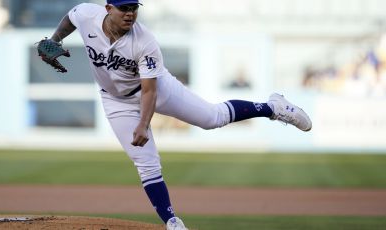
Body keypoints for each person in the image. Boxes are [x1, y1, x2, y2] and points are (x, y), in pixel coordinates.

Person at [43, 0, 312, 229]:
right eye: (123, 7)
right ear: (108, 8)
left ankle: (273, 107)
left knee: (212, 118)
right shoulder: (87, 14)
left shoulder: (144, 40)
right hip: (114, 100)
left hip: (157, 89)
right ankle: (172, 221)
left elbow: (149, 91)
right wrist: (54, 40)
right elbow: (71, 18)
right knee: (146, 163)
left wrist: (143, 124)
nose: (130, 13)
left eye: (134, 7)